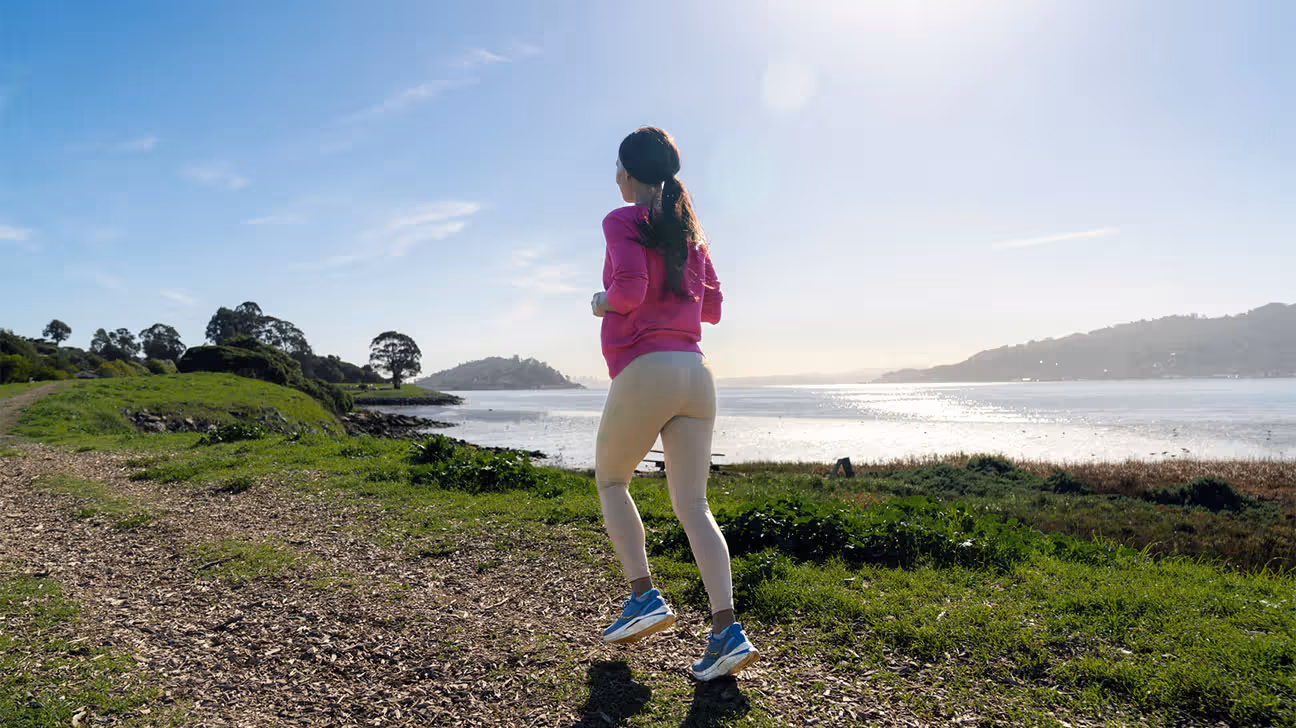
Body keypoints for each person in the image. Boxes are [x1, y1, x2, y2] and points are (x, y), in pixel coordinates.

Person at [590, 126, 758, 681]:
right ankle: (726, 631)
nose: (615, 176)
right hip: (696, 374)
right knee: (694, 505)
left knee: (613, 480)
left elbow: (630, 292)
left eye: (617, 167)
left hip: (647, 369)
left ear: (630, 173)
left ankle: (643, 596)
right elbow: (712, 309)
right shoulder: (690, 233)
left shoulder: (623, 221)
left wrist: (600, 302)